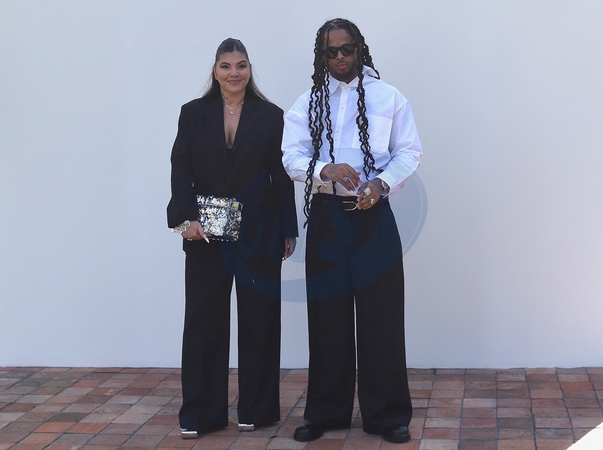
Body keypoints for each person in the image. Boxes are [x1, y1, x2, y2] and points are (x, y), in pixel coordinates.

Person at [282, 18, 422, 444]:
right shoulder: (308, 102)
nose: (340, 57)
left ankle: (387, 415)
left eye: (347, 49)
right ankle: (326, 412)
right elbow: (291, 155)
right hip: (328, 219)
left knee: (382, 317)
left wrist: (380, 184)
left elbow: (409, 152)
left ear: (360, 48)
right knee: (328, 317)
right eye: (332, 51)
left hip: (374, 218)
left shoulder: (389, 97)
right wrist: (325, 169)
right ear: (321, 56)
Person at [167, 38, 298, 439]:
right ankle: (201, 413)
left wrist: (288, 228)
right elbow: (180, 167)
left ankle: (257, 410)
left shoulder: (272, 116)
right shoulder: (192, 113)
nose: (234, 73)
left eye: (241, 65)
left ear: (249, 69)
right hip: (205, 233)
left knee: (260, 320)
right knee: (203, 321)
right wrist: (183, 220)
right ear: (215, 70)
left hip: (260, 232)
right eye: (226, 66)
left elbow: (281, 174)